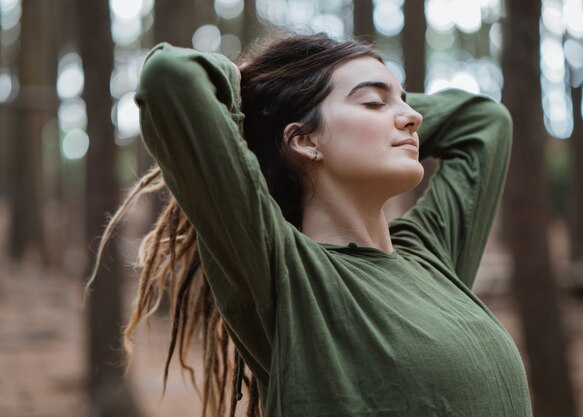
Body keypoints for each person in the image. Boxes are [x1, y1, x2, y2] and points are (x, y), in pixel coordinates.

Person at [88, 33, 532, 417]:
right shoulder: (285, 271)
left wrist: (379, 107)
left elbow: (484, 123)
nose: (412, 116)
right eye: (374, 101)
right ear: (303, 140)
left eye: (407, 101)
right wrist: (264, 101)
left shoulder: (432, 257)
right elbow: (171, 77)